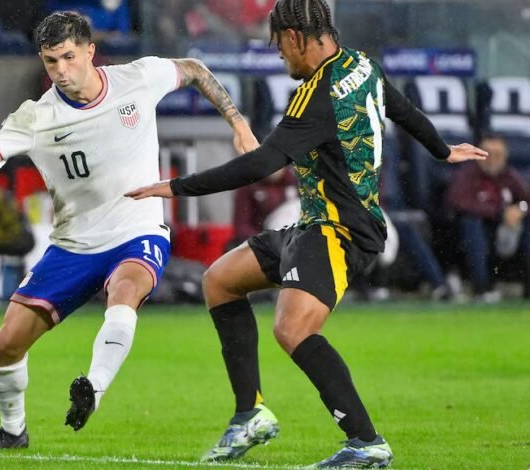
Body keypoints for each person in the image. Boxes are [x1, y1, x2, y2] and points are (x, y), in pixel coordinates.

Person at [0, 11, 256, 449]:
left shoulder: (137, 79)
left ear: (90, 51)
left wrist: (238, 124)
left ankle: (94, 387)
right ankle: (13, 433)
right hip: (72, 245)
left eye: (69, 57)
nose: (62, 71)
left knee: (125, 291)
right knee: (6, 345)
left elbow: (195, 69)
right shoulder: (37, 117)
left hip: (137, 228)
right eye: (51, 61)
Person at [125, 0, 488, 467]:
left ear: (296, 37)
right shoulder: (361, 64)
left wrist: (174, 186)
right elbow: (401, 107)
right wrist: (441, 150)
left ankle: (365, 441)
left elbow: (260, 164)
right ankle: (248, 414)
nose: (280, 57)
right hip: (313, 223)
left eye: (279, 46)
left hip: (342, 229)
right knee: (219, 281)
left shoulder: (316, 96)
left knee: (292, 327)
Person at [446, 133, 530, 300]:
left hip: (505, 231)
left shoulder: (509, 176)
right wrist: (499, 213)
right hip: (474, 230)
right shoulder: (467, 174)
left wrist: (520, 209)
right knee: (472, 224)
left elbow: (525, 199)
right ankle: (481, 288)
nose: (492, 159)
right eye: (487, 153)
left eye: (498, 154)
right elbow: (458, 202)